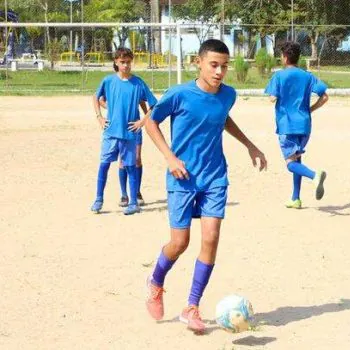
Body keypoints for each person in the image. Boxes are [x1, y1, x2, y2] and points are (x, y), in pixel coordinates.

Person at [144, 39, 267, 333]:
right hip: (182, 178)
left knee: (210, 239)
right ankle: (156, 281)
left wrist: (249, 145)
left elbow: (223, 118)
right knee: (180, 243)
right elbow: (150, 122)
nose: (219, 71)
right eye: (213, 65)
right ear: (197, 63)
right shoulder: (179, 95)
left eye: (224, 66)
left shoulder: (228, 95)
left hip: (214, 177)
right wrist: (170, 157)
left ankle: (192, 307)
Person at [91, 48, 157, 215]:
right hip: (111, 132)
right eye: (122, 62)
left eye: (128, 62)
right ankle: (98, 199)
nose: (126, 65)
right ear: (116, 62)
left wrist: (142, 121)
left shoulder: (138, 83)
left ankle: (133, 202)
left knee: (131, 165)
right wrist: (99, 116)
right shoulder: (108, 81)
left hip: (129, 133)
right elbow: (95, 97)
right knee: (104, 165)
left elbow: (154, 104)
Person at [264, 41, 329, 209]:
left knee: (290, 163)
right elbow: (324, 97)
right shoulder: (308, 76)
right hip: (305, 125)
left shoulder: (279, 76)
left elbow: (272, 98)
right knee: (297, 158)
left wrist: (276, 96)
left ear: (285, 58)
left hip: (287, 125)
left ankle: (314, 175)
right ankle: (295, 198)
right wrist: (310, 109)